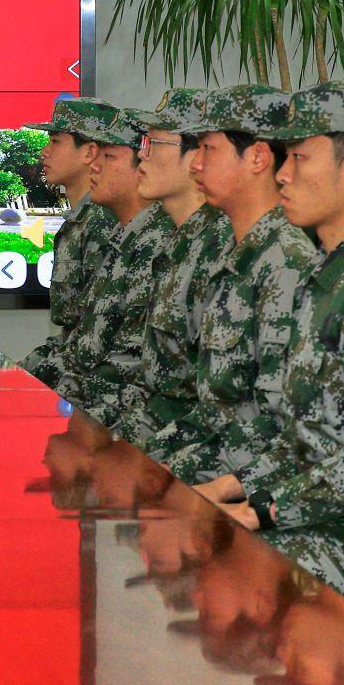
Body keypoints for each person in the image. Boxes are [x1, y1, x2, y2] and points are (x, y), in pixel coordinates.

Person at [195, 81, 344, 593]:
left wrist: (262, 510)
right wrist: (229, 486)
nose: (283, 174)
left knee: (220, 571)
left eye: (300, 158)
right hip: (320, 511)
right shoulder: (331, 275)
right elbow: (304, 440)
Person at [142, 84, 316, 485]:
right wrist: (146, 460)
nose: (196, 165)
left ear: (257, 158)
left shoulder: (286, 265)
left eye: (209, 148)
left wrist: (172, 474)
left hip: (245, 484)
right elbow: (211, 412)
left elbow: (277, 428)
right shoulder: (234, 252)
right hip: (212, 456)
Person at [119, 89, 228, 445]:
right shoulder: (176, 241)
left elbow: (214, 406)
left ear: (197, 156)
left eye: (153, 143)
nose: (141, 154)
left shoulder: (220, 249)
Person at [55, 108, 171, 423]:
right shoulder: (122, 238)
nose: (95, 165)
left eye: (108, 156)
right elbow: (81, 343)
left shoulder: (157, 243)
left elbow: (131, 363)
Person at [17, 97, 111, 386]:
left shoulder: (105, 223)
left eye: (55, 141)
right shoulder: (81, 219)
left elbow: (100, 340)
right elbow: (72, 335)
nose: (44, 152)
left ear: (90, 152)